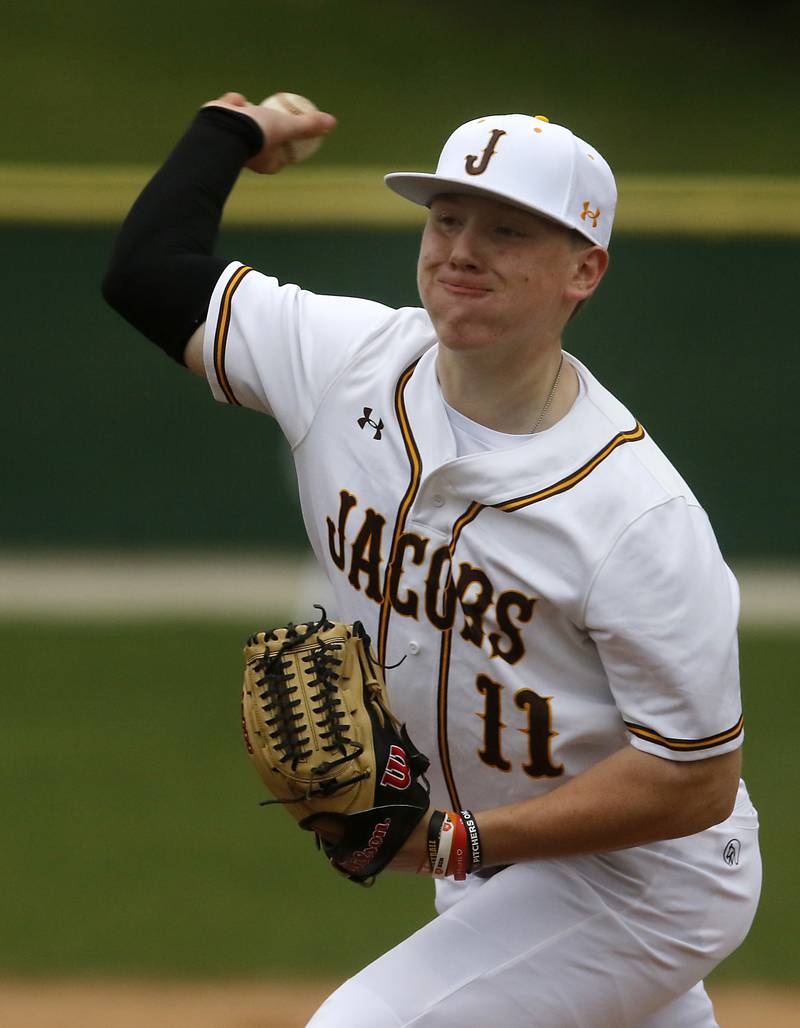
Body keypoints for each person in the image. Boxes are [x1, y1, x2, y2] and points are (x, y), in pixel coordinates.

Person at [102, 92, 762, 1027]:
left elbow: (696, 778)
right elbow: (148, 273)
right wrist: (229, 133)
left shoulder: (637, 517)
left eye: (507, 230)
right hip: (494, 869)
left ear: (586, 270)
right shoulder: (346, 361)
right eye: (447, 218)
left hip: (642, 885)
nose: (461, 249)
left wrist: (457, 839)